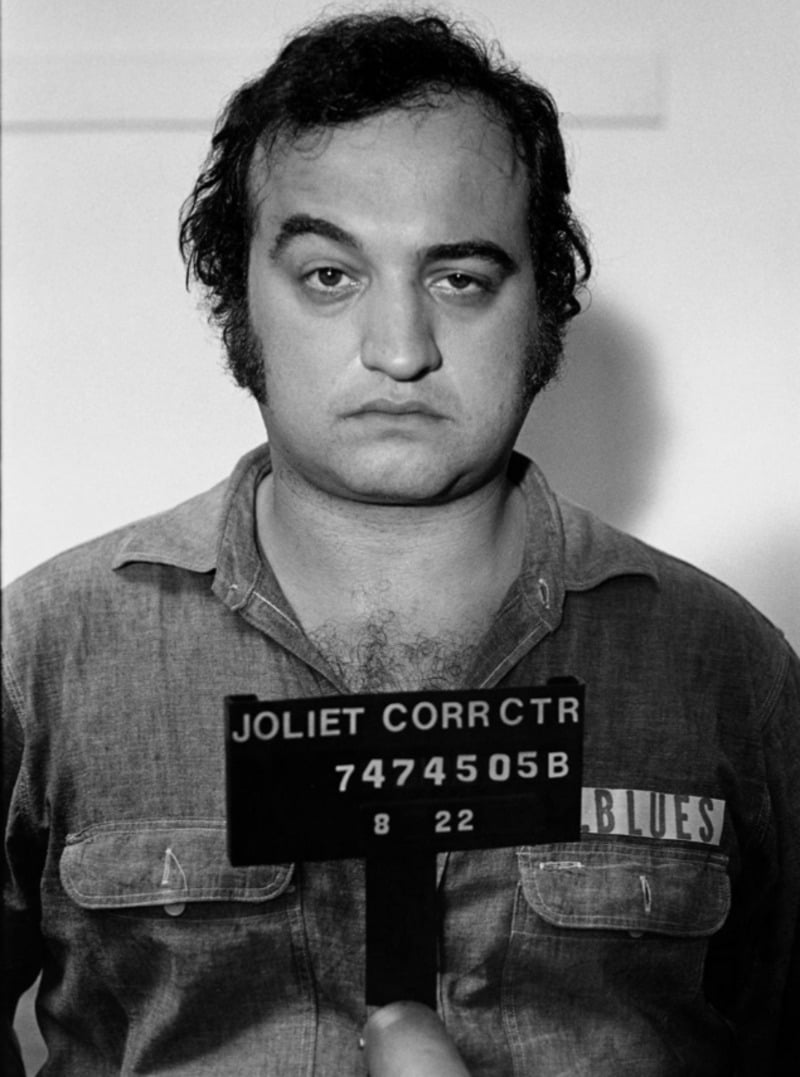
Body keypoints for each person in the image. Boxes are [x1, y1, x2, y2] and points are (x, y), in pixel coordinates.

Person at [3, 9, 798, 1076]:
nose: (398, 349)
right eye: (329, 276)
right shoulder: (45, 655)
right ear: (239, 296)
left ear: (543, 303)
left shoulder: (723, 668)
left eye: (456, 278)